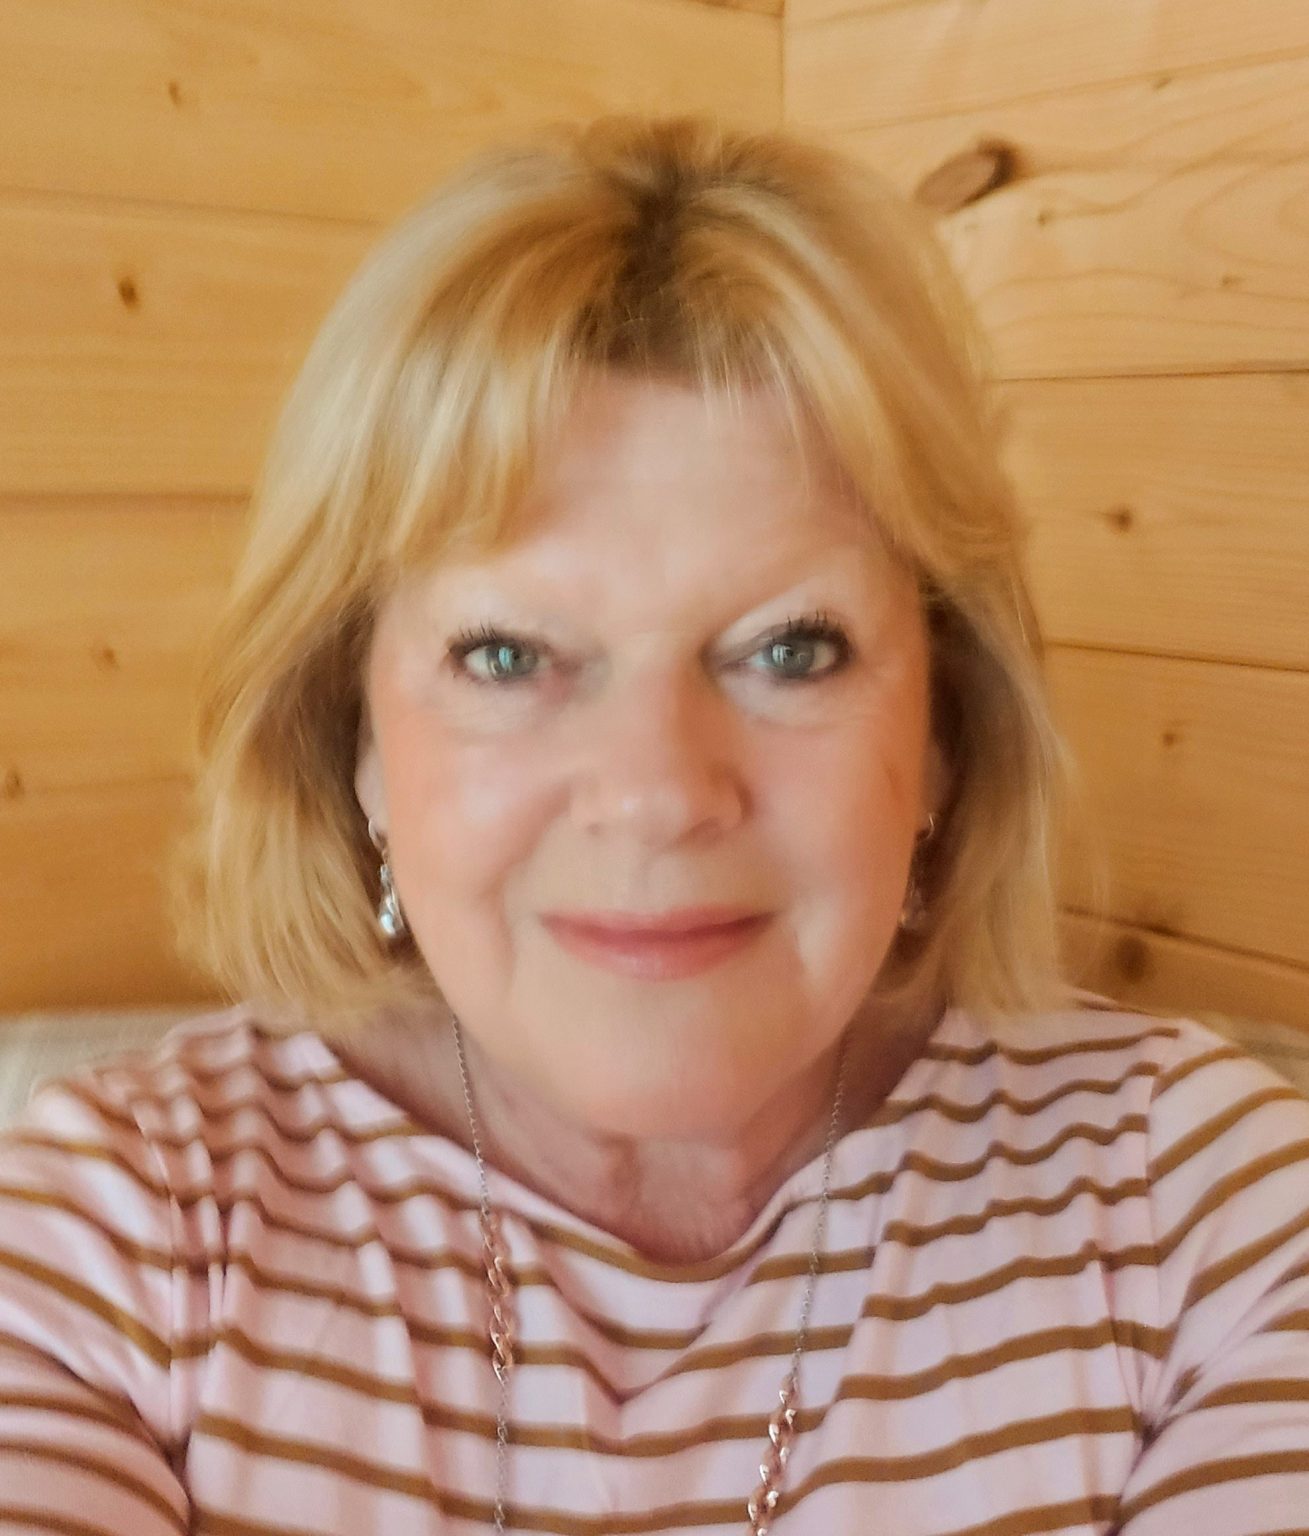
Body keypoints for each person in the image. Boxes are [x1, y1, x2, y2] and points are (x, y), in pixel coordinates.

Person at [1, 114, 1306, 1536]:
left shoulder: (1208, 1218)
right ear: (354, 743)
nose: (656, 791)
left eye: (789, 649)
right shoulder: (116, 1236)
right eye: (506, 654)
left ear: (945, 728)